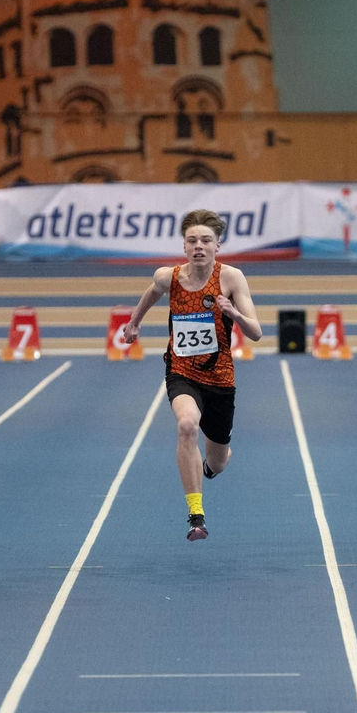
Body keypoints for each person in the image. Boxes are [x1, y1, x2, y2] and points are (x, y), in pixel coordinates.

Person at [124, 210, 263, 541]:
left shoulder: (231, 278)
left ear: (218, 245)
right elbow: (151, 293)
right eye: (192, 240)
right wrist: (134, 321)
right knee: (186, 426)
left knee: (217, 462)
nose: (198, 246)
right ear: (184, 246)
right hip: (181, 371)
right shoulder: (168, 277)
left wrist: (235, 313)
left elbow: (256, 332)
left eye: (205, 241)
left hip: (220, 378)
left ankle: (209, 467)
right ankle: (196, 515)